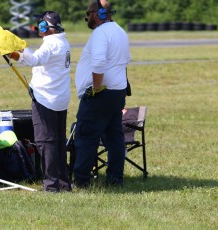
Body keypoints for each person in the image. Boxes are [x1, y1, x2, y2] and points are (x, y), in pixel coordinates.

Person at [8, 11, 72, 192]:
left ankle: (51, 185)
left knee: (46, 142)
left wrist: (15, 54)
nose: (38, 28)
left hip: (46, 99)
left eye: (40, 25)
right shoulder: (63, 41)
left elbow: (35, 60)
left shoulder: (51, 43)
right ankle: (63, 183)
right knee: (58, 142)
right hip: (59, 98)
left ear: (46, 27)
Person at [73, 0, 131, 187]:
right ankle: (115, 179)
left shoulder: (100, 33)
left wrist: (96, 88)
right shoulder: (120, 31)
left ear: (97, 14)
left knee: (86, 137)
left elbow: (98, 63)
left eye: (89, 14)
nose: (87, 18)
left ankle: (82, 181)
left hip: (101, 94)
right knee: (114, 137)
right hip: (117, 93)